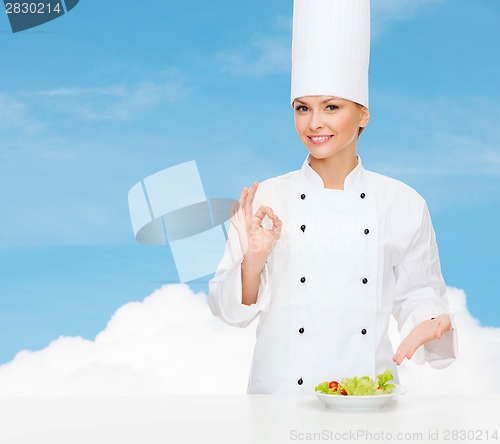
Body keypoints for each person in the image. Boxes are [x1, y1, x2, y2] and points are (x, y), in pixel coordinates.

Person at [208, 0, 457, 394]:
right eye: (302, 108)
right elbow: (227, 311)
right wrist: (254, 258)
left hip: (369, 397)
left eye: (332, 107)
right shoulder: (268, 198)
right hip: (280, 399)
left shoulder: (403, 202)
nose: (314, 123)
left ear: (363, 115)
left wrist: (432, 318)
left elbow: (419, 293)